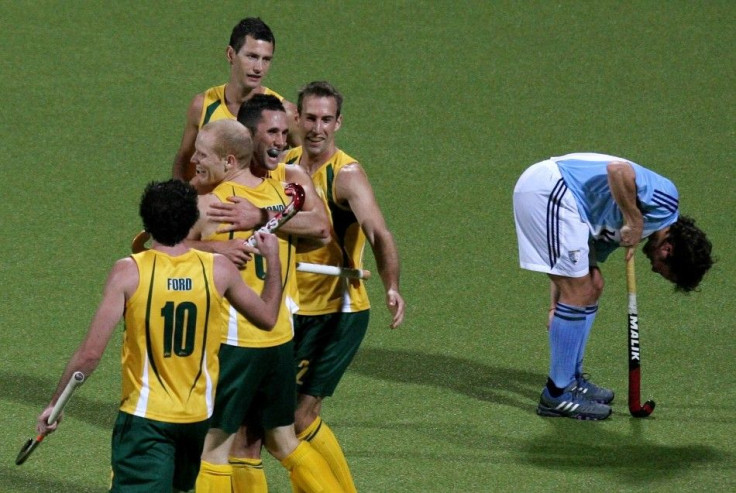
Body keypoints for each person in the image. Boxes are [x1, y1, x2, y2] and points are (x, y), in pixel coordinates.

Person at [36, 179, 283, 492]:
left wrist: (55, 404)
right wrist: (272, 258)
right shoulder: (219, 269)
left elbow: (90, 354)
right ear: (192, 220)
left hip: (145, 419)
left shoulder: (128, 272)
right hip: (195, 419)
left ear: (146, 223)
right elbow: (268, 317)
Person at [185, 119, 341, 492]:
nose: (193, 159)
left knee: (214, 450)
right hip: (279, 339)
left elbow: (163, 253)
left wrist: (207, 247)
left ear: (227, 161)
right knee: (283, 441)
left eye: (202, 154)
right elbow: (319, 228)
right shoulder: (280, 199)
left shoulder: (212, 204)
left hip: (236, 343)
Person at [513, 152, 713, 420]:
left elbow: (574, 264)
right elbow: (618, 171)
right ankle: (556, 395)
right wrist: (634, 219)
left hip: (570, 206)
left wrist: (556, 306)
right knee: (581, 290)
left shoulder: (633, 232)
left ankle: (571, 379)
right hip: (551, 190)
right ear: (667, 249)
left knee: (593, 284)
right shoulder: (666, 200)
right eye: (663, 271)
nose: (654, 269)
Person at [284, 81, 405, 492]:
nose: (318, 128)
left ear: (339, 123)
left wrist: (392, 285)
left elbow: (379, 233)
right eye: (311, 118)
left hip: (339, 314)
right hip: (294, 311)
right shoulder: (286, 164)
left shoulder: (347, 175)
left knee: (296, 420)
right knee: (290, 422)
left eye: (326, 119)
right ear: (297, 119)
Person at [172, 17, 299, 187]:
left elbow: (309, 163)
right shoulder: (203, 106)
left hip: (262, 209)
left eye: (266, 59)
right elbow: (185, 159)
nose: (259, 68)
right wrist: (181, 200)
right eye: (252, 56)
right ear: (231, 54)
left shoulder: (284, 112)